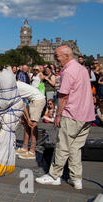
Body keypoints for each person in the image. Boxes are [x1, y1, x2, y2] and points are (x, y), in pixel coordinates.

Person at [36, 46, 95, 190]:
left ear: (67, 55)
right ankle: (76, 179)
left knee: (62, 146)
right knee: (75, 148)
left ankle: (54, 176)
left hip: (72, 113)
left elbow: (63, 96)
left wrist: (58, 114)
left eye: (57, 56)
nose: (55, 59)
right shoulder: (82, 69)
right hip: (86, 115)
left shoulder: (68, 71)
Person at [15, 81, 46, 160]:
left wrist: (28, 118)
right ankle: (24, 148)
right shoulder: (12, 85)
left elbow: (23, 105)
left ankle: (32, 152)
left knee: (32, 125)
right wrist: (24, 118)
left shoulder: (13, 87)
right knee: (26, 124)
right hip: (32, 100)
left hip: (38, 100)